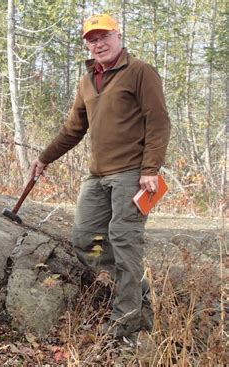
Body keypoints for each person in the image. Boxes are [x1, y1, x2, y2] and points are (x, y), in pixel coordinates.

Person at [30, 14, 171, 338]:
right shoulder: (87, 82)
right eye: (92, 39)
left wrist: (150, 169)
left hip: (132, 176)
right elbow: (73, 130)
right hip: (97, 177)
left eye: (104, 36)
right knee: (85, 240)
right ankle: (136, 288)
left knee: (124, 241)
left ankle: (126, 322)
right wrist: (43, 158)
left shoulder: (140, 72)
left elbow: (159, 122)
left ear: (118, 36)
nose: (98, 43)